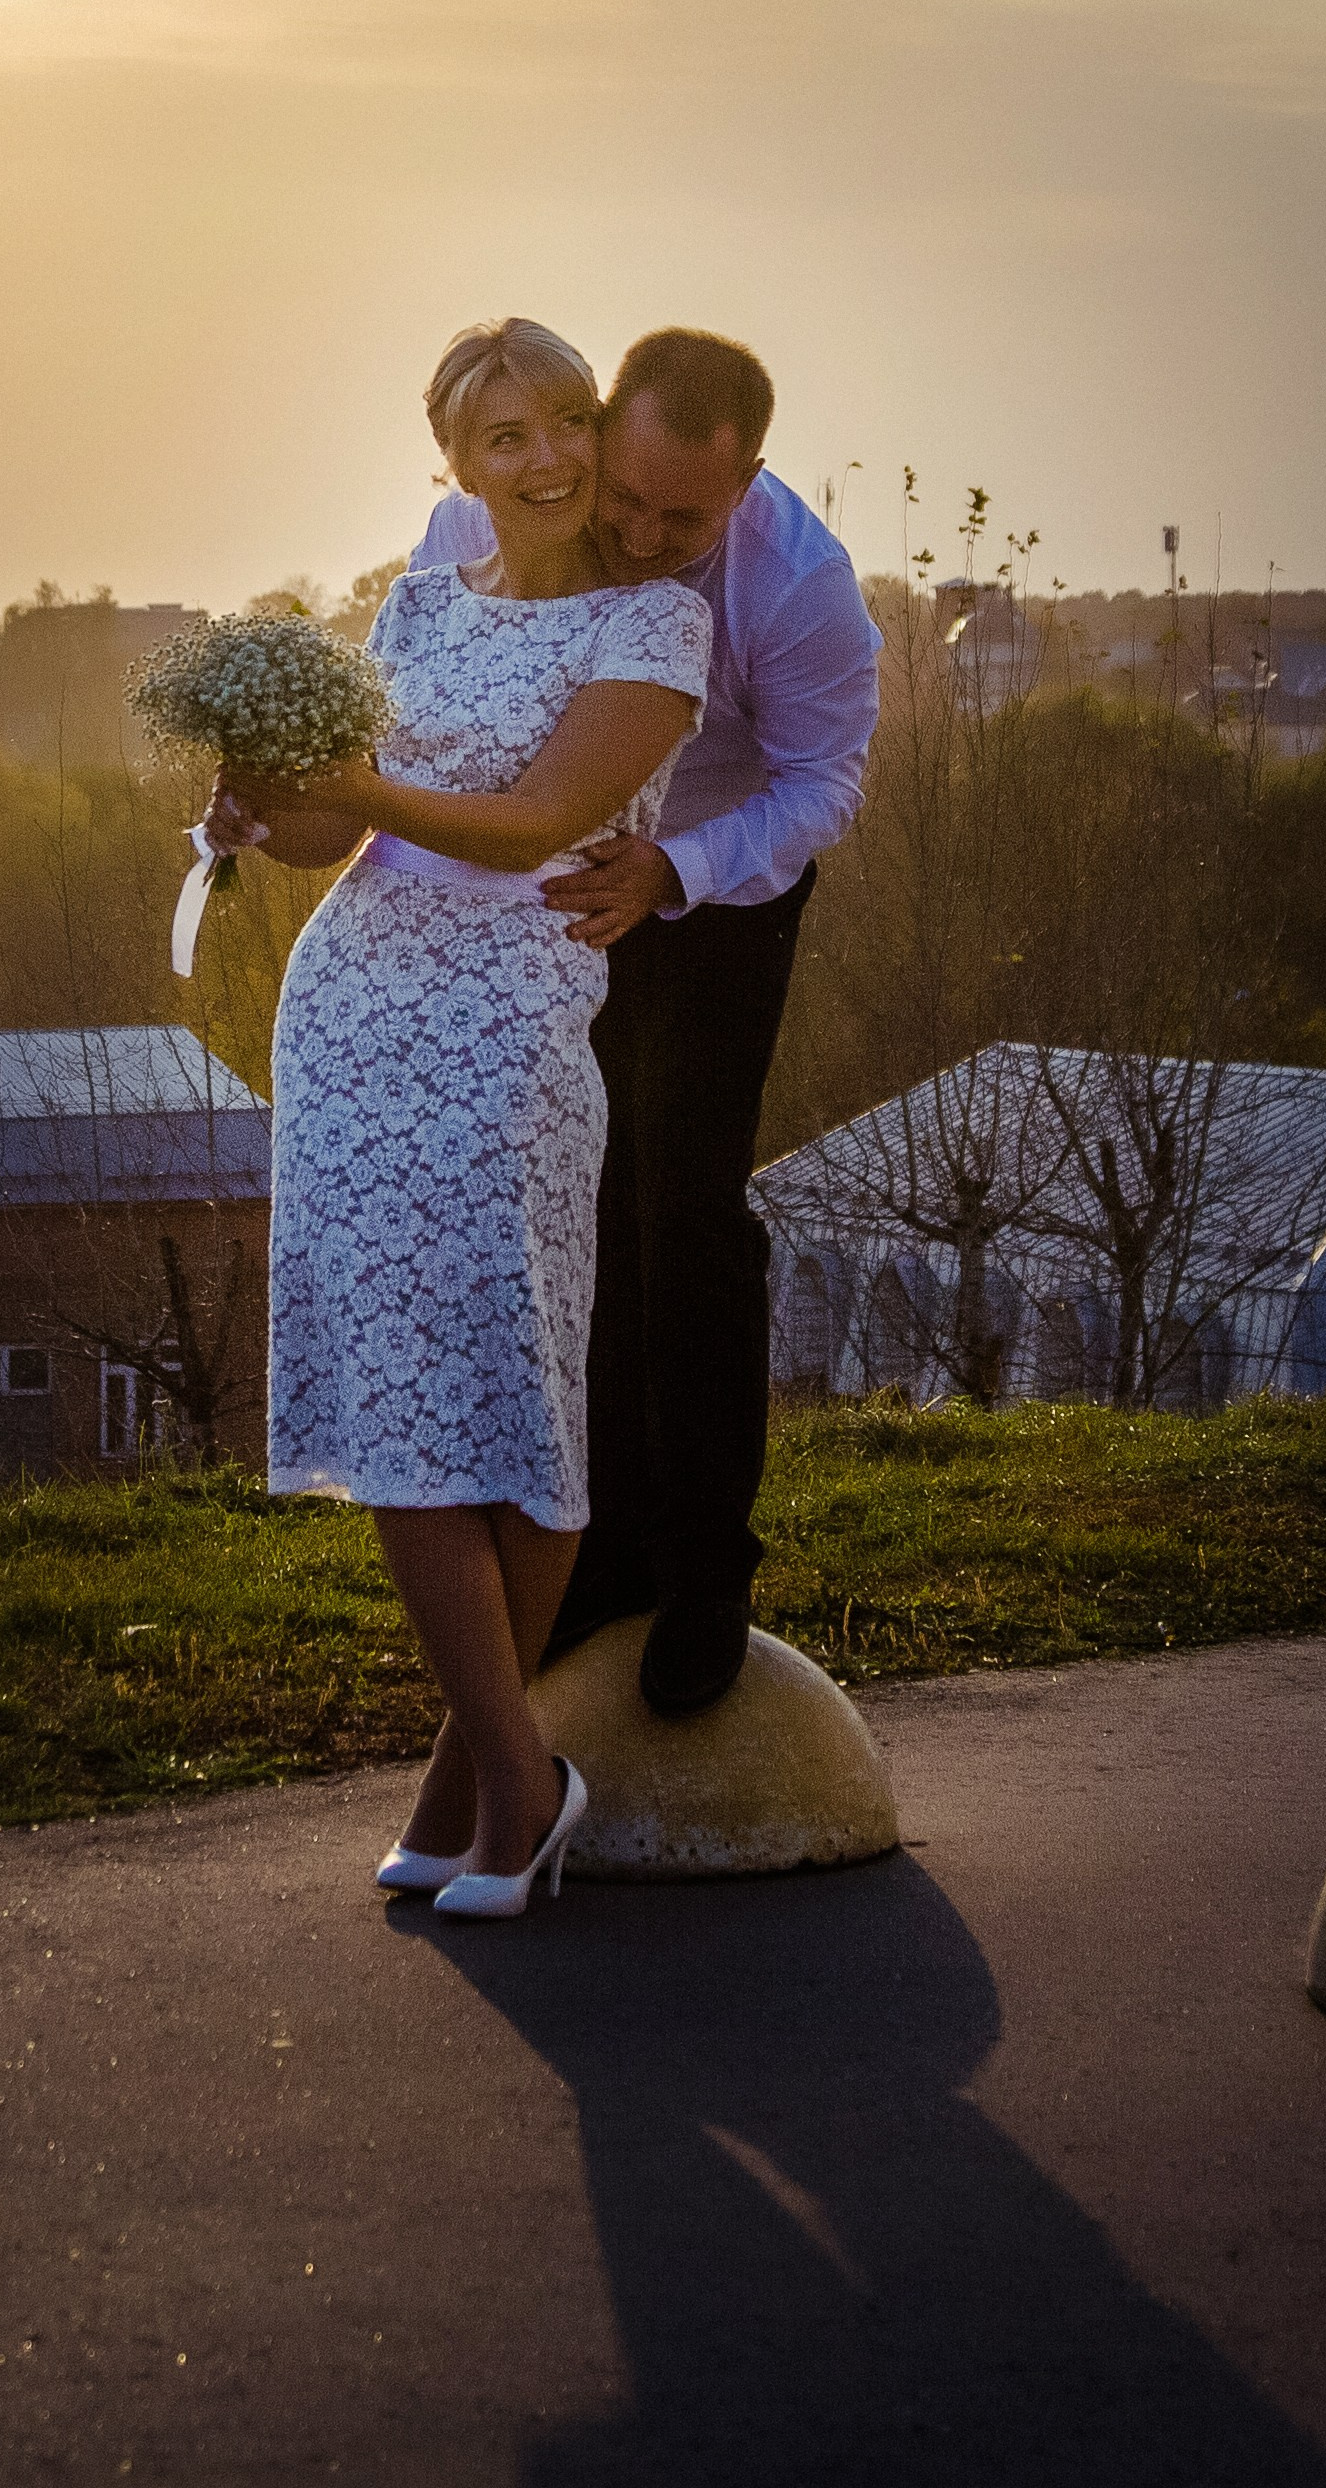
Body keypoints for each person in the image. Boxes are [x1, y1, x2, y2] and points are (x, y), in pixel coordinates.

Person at [223, 319, 708, 1921]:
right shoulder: (418, 602)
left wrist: (353, 790)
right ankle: (488, 1783)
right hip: (352, 1013)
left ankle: (508, 1781)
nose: (548, 456)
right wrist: (262, 808)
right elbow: (332, 829)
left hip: (506, 1023)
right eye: (506, 437)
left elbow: (535, 823)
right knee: (395, 1391)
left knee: (510, 1394)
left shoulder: (657, 624)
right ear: (454, 466)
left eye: (565, 419)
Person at [412, 328, 880, 1714]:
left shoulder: (800, 584)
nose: (642, 534)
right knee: (572, 1213)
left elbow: (822, 787)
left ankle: (707, 1573)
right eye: (628, 497)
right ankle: (598, 1559)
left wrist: (673, 869)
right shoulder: (484, 523)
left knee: (685, 1212)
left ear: (748, 484)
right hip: (551, 882)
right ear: (604, 431)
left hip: (717, 892)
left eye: (686, 520)